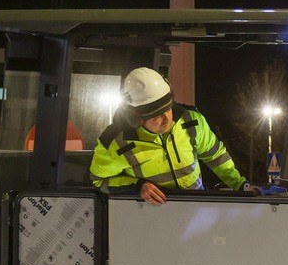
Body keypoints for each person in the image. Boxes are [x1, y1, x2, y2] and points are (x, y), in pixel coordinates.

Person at [88, 67, 250, 203]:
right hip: (153, 218)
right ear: (135, 118)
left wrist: (240, 185)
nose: (167, 119)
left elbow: (215, 156)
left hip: (196, 206)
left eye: (168, 109)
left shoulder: (191, 120)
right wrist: (137, 186)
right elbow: (99, 181)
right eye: (156, 116)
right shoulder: (115, 143)